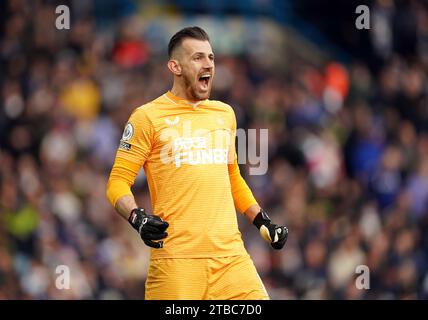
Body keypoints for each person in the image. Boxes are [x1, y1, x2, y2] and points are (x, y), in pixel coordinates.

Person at [106, 26, 288, 300]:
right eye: (198, 58)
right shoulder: (147, 118)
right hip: (177, 263)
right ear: (175, 66)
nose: (209, 65)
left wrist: (262, 220)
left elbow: (232, 178)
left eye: (211, 58)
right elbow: (117, 182)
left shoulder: (224, 114)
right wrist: (137, 218)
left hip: (230, 260)